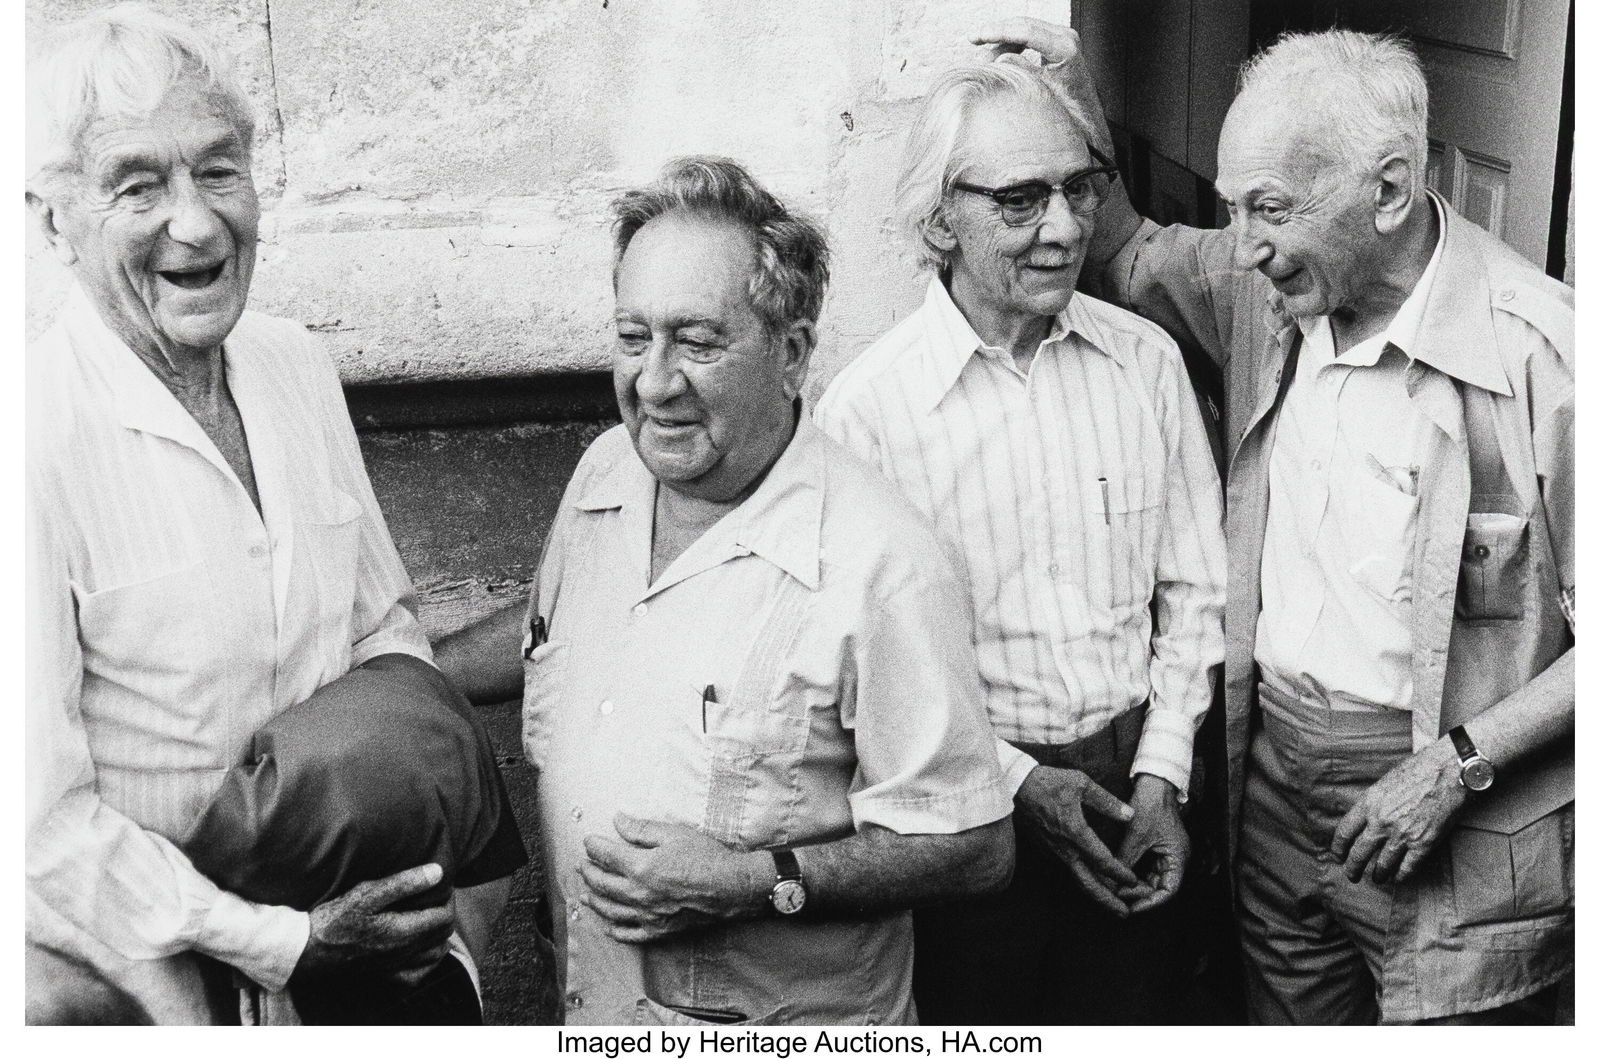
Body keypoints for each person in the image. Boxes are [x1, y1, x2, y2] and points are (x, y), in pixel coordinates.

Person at [975, 17, 1575, 1024]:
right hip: (1273, 786)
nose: (1243, 244)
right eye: (1232, 208)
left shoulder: (1546, 356)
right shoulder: (1266, 290)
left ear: (1386, 190)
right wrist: (1075, 100)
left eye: (1270, 209)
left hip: (1455, 803)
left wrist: (1453, 766)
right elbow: (1125, 249)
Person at [433, 155, 1014, 1025]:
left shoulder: (881, 563)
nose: (654, 382)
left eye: (697, 341)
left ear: (790, 354)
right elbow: (563, 630)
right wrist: (405, 674)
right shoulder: (604, 474)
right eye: (634, 337)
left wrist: (751, 883)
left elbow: (973, 845)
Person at [26, 4, 514, 1024]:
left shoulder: (295, 364)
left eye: (217, 170)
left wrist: (434, 897)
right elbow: (36, 828)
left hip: (377, 956)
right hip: (157, 986)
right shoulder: (28, 440)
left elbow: (386, 626)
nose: (197, 224)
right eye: (137, 185)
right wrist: (287, 944)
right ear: (51, 222)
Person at [813, 61, 1225, 1025]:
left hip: (1137, 796)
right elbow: (866, 669)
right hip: (958, 813)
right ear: (938, 220)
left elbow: (1196, 591)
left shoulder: (1146, 363)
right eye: (1020, 199)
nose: (1068, 226)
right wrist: (1019, 782)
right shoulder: (868, 415)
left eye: (1080, 186)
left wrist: (1163, 776)